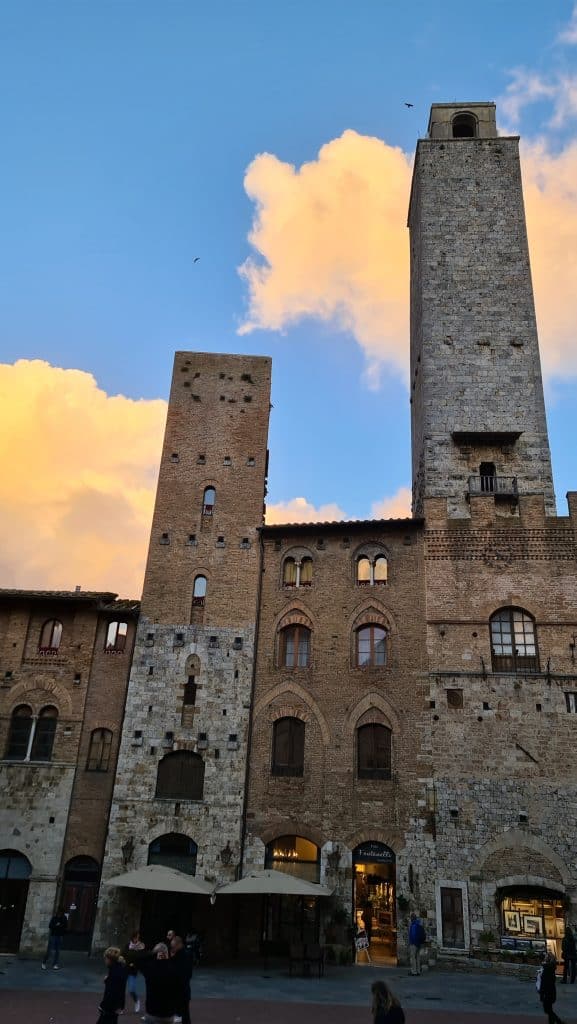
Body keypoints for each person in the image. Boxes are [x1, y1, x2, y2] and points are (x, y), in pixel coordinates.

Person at [137, 942, 179, 1024]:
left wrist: (152, 952)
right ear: (167, 954)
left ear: (157, 954)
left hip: (152, 1012)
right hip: (168, 1013)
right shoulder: (174, 968)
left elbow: (139, 960)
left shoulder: (150, 968)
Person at [98, 947, 127, 1024]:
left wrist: (102, 1006)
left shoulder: (114, 972)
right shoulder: (119, 969)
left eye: (106, 959)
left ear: (109, 959)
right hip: (114, 1008)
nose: (105, 961)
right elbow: (122, 988)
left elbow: (111, 992)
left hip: (110, 1009)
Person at [170, 934, 192, 1024]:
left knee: (184, 1015)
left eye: (173, 947)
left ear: (179, 945)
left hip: (180, 990)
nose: (172, 949)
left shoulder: (182, 957)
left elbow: (185, 974)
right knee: (184, 1015)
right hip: (182, 990)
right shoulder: (181, 955)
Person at [539, 953, 566, 1024]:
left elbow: (544, 983)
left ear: (547, 960)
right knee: (549, 1009)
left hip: (547, 993)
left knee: (547, 1010)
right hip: (552, 992)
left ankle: (558, 1021)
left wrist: (541, 994)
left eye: (546, 957)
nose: (544, 958)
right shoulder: (551, 968)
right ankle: (552, 1022)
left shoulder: (546, 969)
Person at [41, 905, 68, 970]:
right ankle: (44, 962)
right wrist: (57, 925)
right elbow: (50, 926)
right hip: (53, 935)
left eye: (61, 912)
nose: (60, 914)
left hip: (60, 935)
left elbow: (65, 926)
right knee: (49, 950)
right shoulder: (54, 918)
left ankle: (55, 964)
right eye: (59, 912)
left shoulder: (64, 918)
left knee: (57, 951)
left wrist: (60, 926)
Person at [125, 930, 145, 1013]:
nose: (138, 939)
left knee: (131, 989)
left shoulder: (141, 946)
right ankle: (120, 1007)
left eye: (138, 937)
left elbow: (141, 957)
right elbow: (123, 953)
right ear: (133, 937)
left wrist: (135, 964)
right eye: (137, 937)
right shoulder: (128, 945)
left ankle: (137, 1001)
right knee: (119, 988)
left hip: (133, 970)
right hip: (125, 969)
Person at [408, 912, 426, 976]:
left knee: (413, 957)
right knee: (418, 957)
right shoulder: (419, 924)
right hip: (419, 943)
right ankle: (418, 971)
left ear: (412, 918)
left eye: (411, 918)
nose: (410, 919)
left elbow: (413, 935)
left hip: (414, 943)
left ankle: (414, 971)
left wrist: (412, 943)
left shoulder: (413, 925)